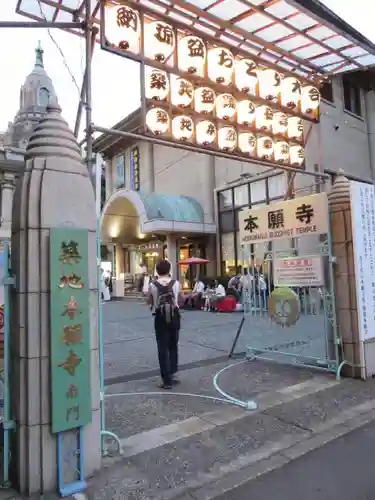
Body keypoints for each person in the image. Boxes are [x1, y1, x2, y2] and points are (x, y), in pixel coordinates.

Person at [148, 260, 181, 390]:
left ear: (157, 270)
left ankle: (166, 380)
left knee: (162, 347)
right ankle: (173, 374)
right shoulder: (176, 283)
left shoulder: (153, 285)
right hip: (174, 315)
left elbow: (149, 302)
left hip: (160, 316)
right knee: (173, 345)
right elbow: (179, 299)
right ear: (169, 269)